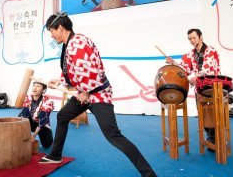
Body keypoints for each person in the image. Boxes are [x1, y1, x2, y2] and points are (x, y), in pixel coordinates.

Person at [39, 12, 157, 177]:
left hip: (98, 95)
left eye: (51, 31)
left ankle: (149, 173)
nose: (51, 35)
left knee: (113, 136)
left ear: (60, 27)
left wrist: (85, 92)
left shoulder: (78, 43)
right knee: (63, 116)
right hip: (85, 94)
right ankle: (56, 155)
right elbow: (74, 70)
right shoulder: (69, 43)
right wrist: (59, 82)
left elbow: (92, 71)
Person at [165, 28, 220, 146]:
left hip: (212, 86)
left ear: (201, 37)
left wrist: (196, 78)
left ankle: (217, 137)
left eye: (194, 38)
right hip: (199, 87)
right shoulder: (190, 54)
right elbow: (185, 69)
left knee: (213, 113)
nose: (192, 40)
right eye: (190, 39)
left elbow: (208, 68)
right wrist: (173, 63)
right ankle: (210, 137)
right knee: (202, 113)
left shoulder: (211, 50)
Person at [18, 81, 54, 148]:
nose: (35, 88)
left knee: (47, 144)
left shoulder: (47, 102)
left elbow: (42, 120)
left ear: (43, 90)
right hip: (29, 122)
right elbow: (24, 115)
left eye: (38, 86)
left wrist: (34, 135)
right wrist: (27, 136)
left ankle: (48, 134)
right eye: (34, 85)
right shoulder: (28, 98)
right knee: (20, 116)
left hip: (41, 125)